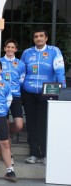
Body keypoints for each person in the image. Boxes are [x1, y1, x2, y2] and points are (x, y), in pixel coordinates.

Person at [21, 27, 66, 165]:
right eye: (36, 36)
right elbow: (21, 72)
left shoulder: (54, 51)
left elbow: (59, 70)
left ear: (46, 38)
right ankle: (34, 153)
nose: (38, 38)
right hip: (29, 92)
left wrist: (62, 87)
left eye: (41, 36)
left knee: (45, 122)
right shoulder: (27, 53)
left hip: (48, 91)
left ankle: (46, 154)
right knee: (31, 123)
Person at [0, 39, 25, 165]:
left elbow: (21, 80)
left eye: (12, 47)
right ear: (4, 48)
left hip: (15, 97)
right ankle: (9, 154)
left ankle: (7, 129)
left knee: (19, 125)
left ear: (16, 49)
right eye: (8, 47)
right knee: (4, 127)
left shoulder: (20, 64)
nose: (10, 49)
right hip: (2, 98)